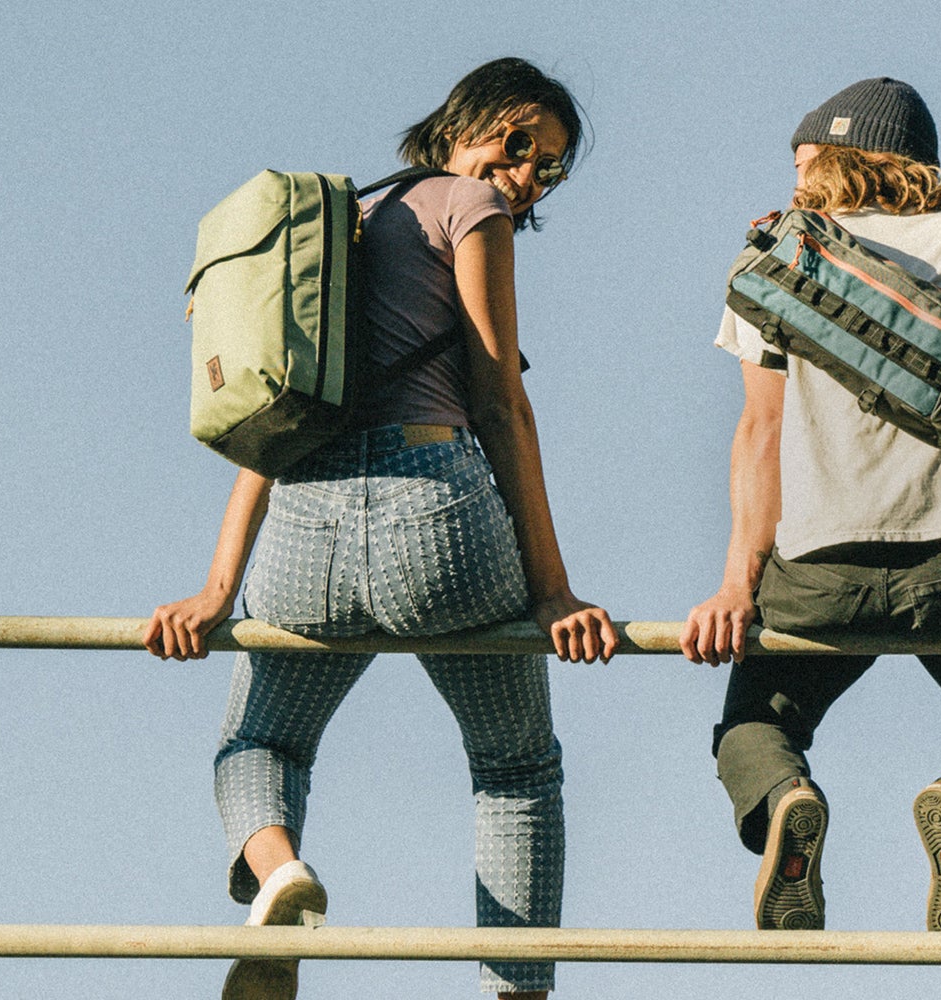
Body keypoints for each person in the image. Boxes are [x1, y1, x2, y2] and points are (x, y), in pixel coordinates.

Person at [144, 57, 616, 1000]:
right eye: (519, 143)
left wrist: (217, 589)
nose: (525, 175)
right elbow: (498, 398)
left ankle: (278, 876)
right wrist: (556, 590)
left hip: (304, 526)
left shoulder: (335, 223)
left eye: (549, 167)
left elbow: (273, 420)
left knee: (261, 744)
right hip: (437, 518)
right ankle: (514, 991)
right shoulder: (465, 211)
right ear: (462, 124)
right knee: (516, 770)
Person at [682, 77, 941, 934]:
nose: (794, 183)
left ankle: (787, 799)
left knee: (754, 725)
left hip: (818, 566)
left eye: (805, 163)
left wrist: (734, 586)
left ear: (844, 160)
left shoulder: (781, 260)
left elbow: (759, 433)